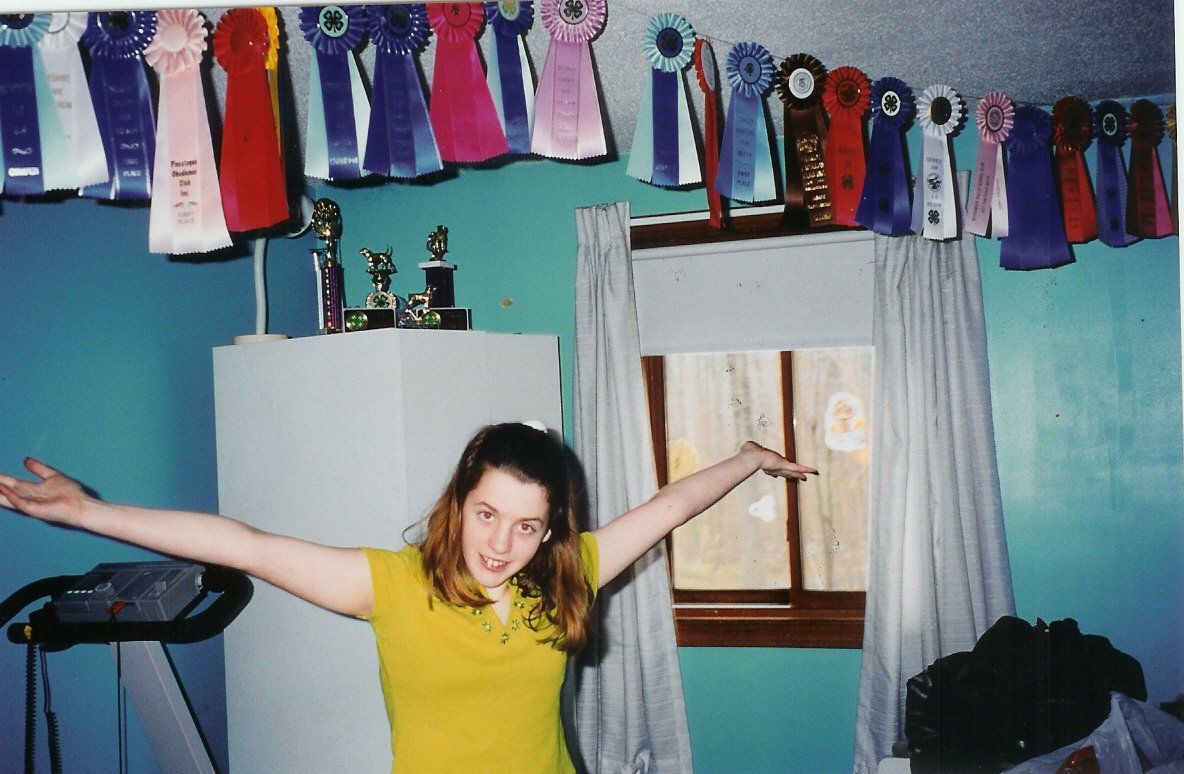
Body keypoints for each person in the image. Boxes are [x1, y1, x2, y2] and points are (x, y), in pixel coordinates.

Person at [0, 422, 816, 773]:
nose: (501, 544)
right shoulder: (391, 587)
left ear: (551, 530)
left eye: (528, 528)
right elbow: (244, 543)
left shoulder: (570, 572)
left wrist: (746, 459)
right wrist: (86, 513)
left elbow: (670, 506)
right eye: (489, 514)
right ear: (460, 500)